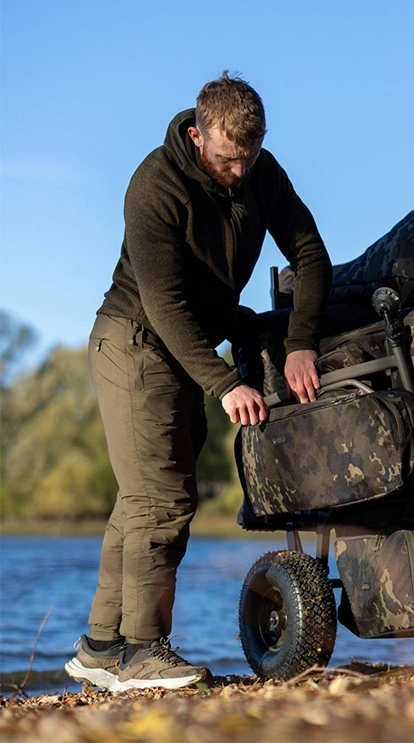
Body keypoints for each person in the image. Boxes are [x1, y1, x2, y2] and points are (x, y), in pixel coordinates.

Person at [65, 72, 332, 691]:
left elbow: (311, 255)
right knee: (161, 501)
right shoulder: (154, 185)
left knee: (142, 499)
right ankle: (143, 652)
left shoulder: (261, 173)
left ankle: (102, 648)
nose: (239, 171)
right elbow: (166, 305)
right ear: (198, 134)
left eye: (249, 157)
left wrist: (301, 342)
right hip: (135, 339)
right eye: (228, 158)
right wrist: (224, 383)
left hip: (183, 347)